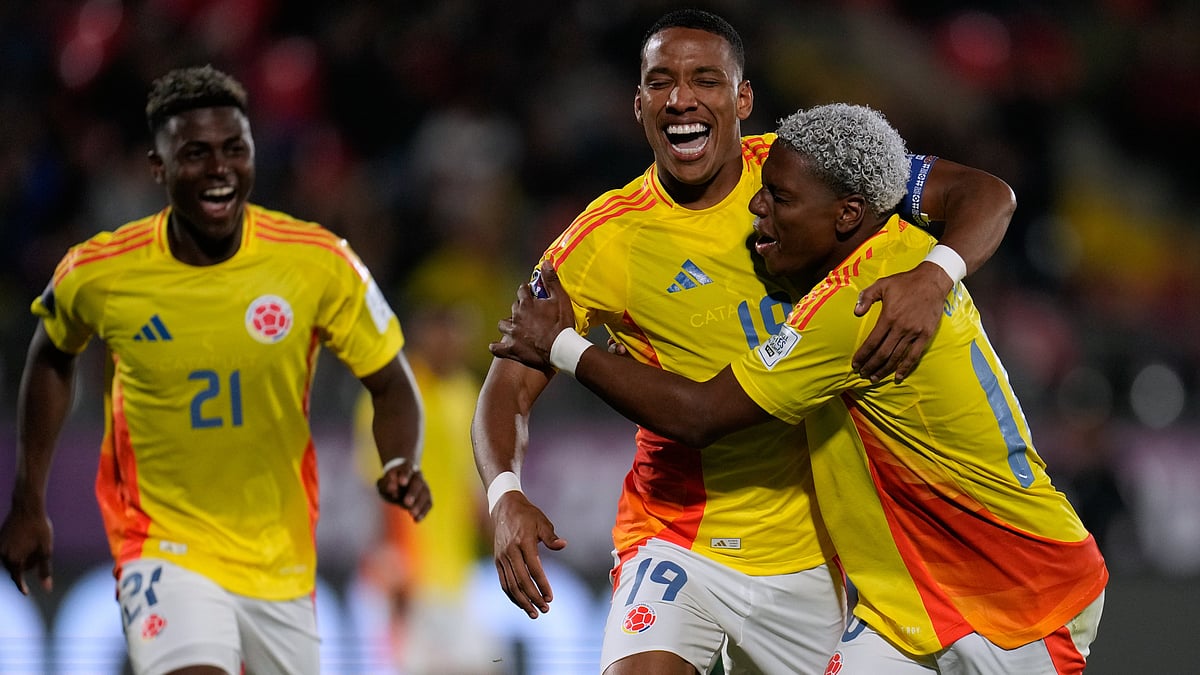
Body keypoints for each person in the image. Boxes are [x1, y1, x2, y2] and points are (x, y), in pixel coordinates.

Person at [472, 8, 1017, 675]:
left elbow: (986, 195)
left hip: (816, 555)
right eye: (660, 81)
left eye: (705, 78)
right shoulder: (599, 240)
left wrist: (935, 276)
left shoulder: (810, 176)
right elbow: (509, 379)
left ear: (743, 98)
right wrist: (503, 494)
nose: (681, 98)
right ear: (639, 103)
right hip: (676, 537)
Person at [0, 65, 431, 675]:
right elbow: (51, 352)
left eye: (235, 149)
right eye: (195, 153)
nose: (220, 169)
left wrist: (397, 462)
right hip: (160, 544)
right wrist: (27, 500)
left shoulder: (318, 264)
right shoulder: (100, 273)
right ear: (158, 165)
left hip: (278, 558)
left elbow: (390, 381)